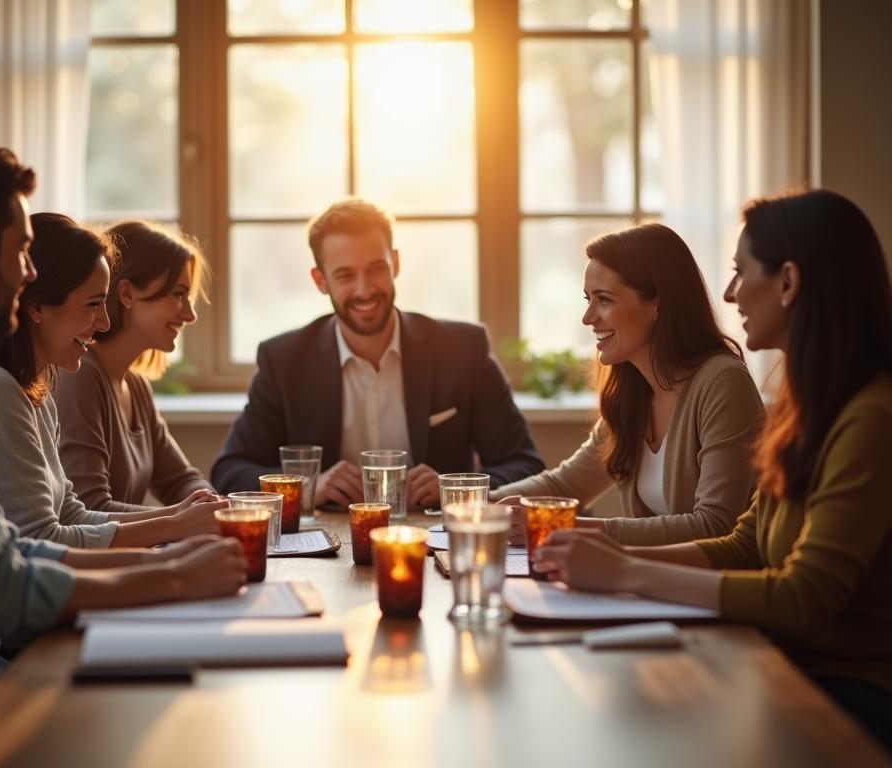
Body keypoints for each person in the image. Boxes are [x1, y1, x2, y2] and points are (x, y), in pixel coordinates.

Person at [0, 138, 246, 765]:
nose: (29, 272)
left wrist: (169, 555)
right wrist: (173, 575)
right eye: (21, 251)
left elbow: (12, 547)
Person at [536, 190, 892, 748]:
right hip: (782, 663)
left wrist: (625, 571)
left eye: (740, 273)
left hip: (847, 697)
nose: (729, 293)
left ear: (789, 282)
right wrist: (604, 550)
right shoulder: (806, 406)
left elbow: (804, 597)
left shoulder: (870, 418)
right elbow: (747, 543)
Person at [210, 198, 544, 508]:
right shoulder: (284, 360)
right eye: (344, 275)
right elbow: (229, 472)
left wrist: (454, 488)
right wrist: (309, 485)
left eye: (376, 269)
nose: (364, 289)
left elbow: (525, 465)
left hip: (438, 543)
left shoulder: (463, 349)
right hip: (327, 546)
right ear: (320, 281)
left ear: (395, 263)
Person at [492, 223, 763, 545]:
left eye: (604, 300)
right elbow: (564, 487)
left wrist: (558, 526)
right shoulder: (633, 391)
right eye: (588, 299)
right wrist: (463, 505)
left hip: (710, 590)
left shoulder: (722, 382)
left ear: (658, 304)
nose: (588, 317)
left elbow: (716, 525)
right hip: (651, 586)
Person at [0, 213, 223, 547]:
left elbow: (71, 513)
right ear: (37, 306)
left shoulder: (36, 386)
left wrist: (183, 518)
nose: (103, 322)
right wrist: (173, 537)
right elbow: (41, 539)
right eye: (93, 304)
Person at [55, 220, 215, 512]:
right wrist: (184, 518)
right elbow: (90, 509)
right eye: (178, 295)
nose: (190, 315)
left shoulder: (136, 385)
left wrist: (216, 506)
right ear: (127, 294)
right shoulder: (80, 377)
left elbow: (179, 480)